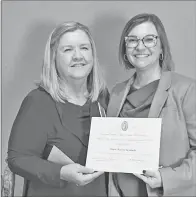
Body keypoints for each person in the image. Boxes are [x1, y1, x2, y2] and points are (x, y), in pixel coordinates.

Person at [7, 21, 109, 196]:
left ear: (93, 54)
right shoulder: (38, 101)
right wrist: (61, 173)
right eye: (68, 50)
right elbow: (18, 159)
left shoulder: (103, 99)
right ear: (53, 57)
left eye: (84, 48)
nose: (78, 56)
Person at [107, 13, 196, 196]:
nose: (140, 46)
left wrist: (166, 178)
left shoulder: (186, 90)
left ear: (162, 47)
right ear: (125, 49)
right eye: (132, 40)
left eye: (149, 39)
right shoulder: (116, 93)